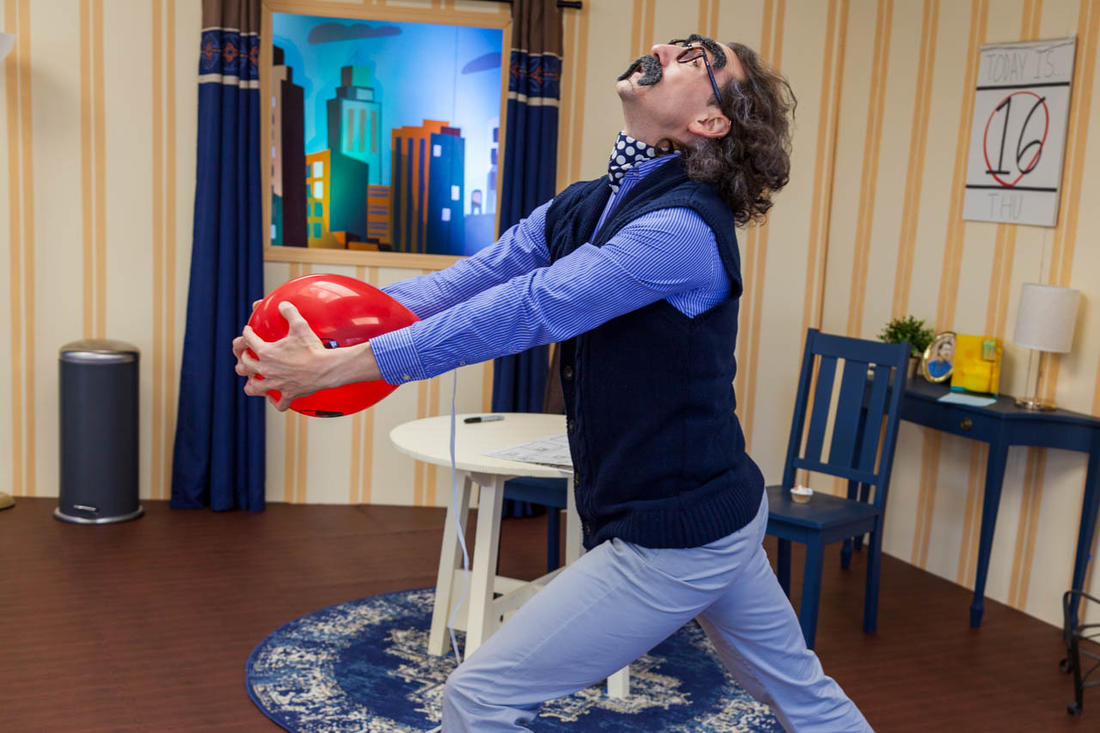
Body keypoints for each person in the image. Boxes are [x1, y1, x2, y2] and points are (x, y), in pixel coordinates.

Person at [234, 35, 871, 732]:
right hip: (721, 509)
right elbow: (470, 282)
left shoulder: (682, 230)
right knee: (803, 697)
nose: (666, 48)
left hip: (676, 533)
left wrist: (342, 366)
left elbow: (532, 306)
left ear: (709, 121)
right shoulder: (586, 205)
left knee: (480, 697)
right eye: (678, 43)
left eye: (697, 58)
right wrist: (325, 331)